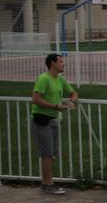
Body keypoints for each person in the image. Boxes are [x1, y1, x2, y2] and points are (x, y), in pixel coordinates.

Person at [31, 53, 78, 195]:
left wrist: (72, 101)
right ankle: (48, 184)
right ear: (52, 63)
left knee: (51, 153)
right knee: (47, 153)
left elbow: (73, 92)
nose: (64, 64)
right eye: (61, 61)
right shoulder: (44, 79)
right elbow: (36, 99)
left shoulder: (60, 79)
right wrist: (55, 106)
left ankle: (46, 183)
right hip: (42, 119)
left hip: (53, 119)